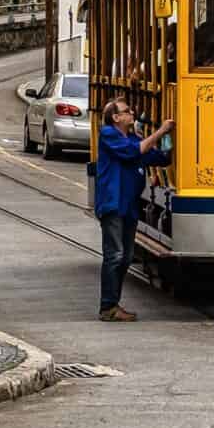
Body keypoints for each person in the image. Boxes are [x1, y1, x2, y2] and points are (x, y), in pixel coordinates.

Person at [92, 99, 173, 322]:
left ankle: (113, 304)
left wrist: (168, 140)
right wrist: (161, 131)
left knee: (126, 256)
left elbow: (160, 158)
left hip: (128, 206)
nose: (132, 112)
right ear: (116, 117)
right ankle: (107, 306)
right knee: (115, 255)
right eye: (127, 111)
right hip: (113, 203)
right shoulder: (109, 134)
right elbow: (134, 151)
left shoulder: (132, 137)